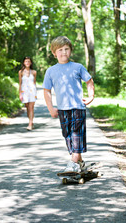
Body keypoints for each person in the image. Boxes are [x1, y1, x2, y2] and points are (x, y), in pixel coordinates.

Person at [43, 36, 94, 172]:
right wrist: (50, 108)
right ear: (54, 53)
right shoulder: (51, 71)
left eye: (66, 49)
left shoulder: (78, 67)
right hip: (62, 109)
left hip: (78, 107)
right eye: (60, 50)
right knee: (68, 136)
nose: (64, 52)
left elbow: (89, 81)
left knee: (77, 133)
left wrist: (91, 96)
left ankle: (73, 163)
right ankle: (80, 162)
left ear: (70, 50)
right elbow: (47, 90)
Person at [19, 56, 37, 131]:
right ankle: (31, 122)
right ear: (24, 63)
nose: (27, 63)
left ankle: (30, 124)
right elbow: (20, 83)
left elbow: (34, 83)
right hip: (24, 92)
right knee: (27, 107)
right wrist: (20, 93)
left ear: (31, 63)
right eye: (26, 61)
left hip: (32, 92)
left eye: (29, 61)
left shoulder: (34, 72)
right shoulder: (21, 72)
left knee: (31, 107)